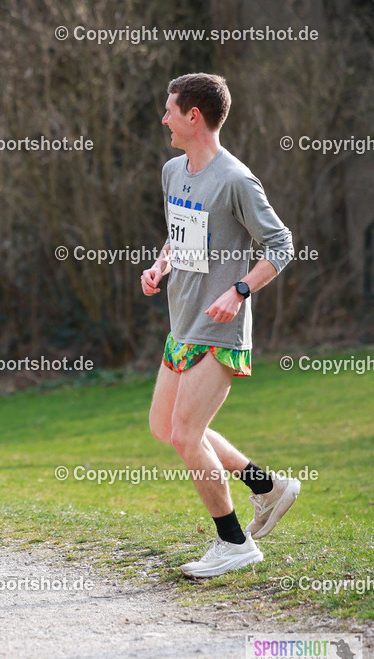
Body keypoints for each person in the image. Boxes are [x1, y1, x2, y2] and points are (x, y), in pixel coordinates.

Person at [141, 73, 300, 579]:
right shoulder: (172, 170)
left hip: (220, 330)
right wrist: (160, 265)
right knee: (165, 428)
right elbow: (180, 234)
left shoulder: (235, 179)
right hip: (181, 325)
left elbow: (281, 245)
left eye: (170, 110)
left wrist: (240, 291)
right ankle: (268, 486)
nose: (163, 118)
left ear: (194, 116)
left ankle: (234, 543)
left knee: (188, 435)